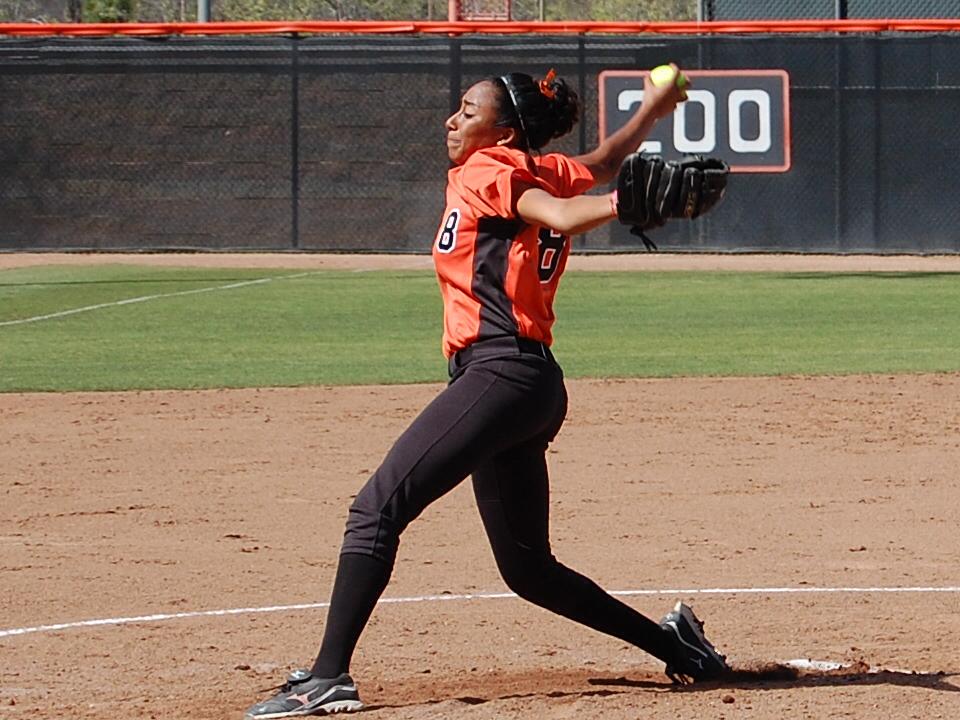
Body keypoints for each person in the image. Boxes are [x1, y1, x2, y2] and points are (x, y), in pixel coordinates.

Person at [244, 65, 728, 719]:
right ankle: (679, 649)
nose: (452, 118)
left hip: (498, 374)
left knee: (376, 508)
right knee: (528, 568)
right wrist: (649, 111)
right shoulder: (541, 166)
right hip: (529, 384)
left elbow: (557, 211)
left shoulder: (489, 170)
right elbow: (599, 163)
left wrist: (619, 206)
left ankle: (328, 676)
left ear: (501, 131)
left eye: (468, 110)